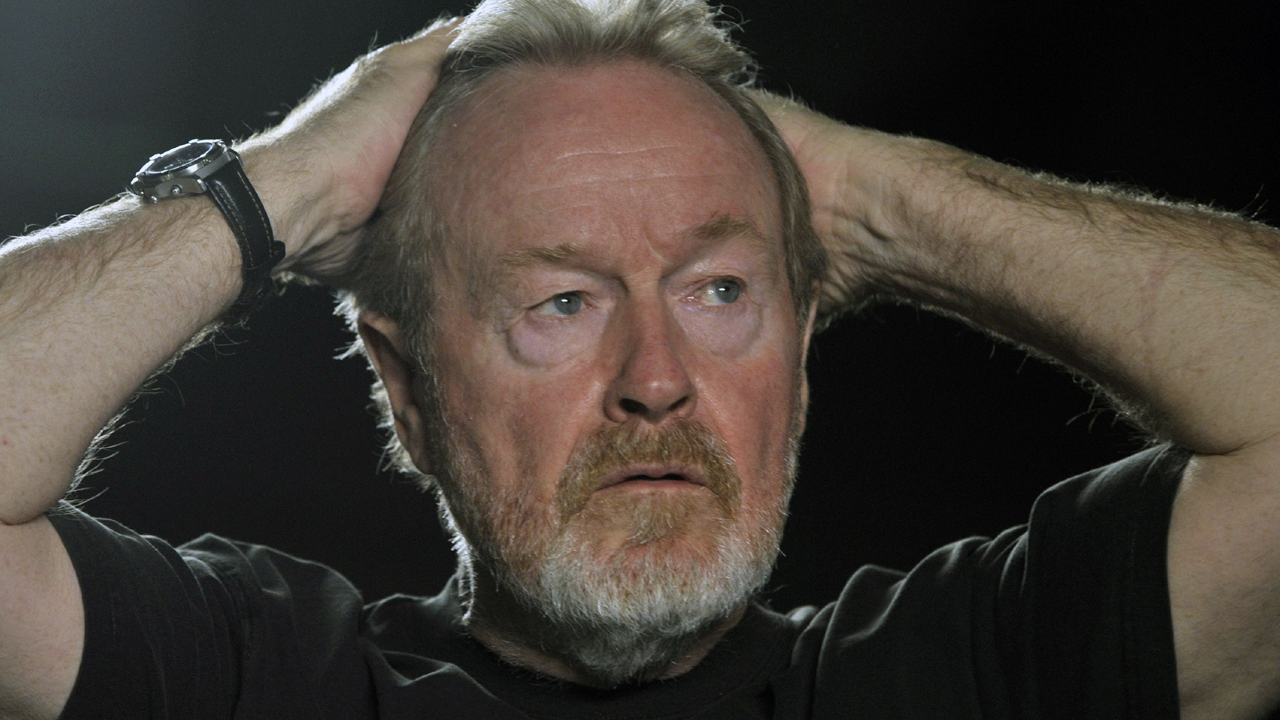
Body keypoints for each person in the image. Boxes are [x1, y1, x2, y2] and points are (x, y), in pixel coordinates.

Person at [1, 1, 1277, 718]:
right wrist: (279, 186)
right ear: (405, 390)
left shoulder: (975, 674)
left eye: (718, 290)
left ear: (799, 363)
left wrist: (878, 197)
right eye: (562, 302)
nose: (654, 378)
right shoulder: (262, 684)